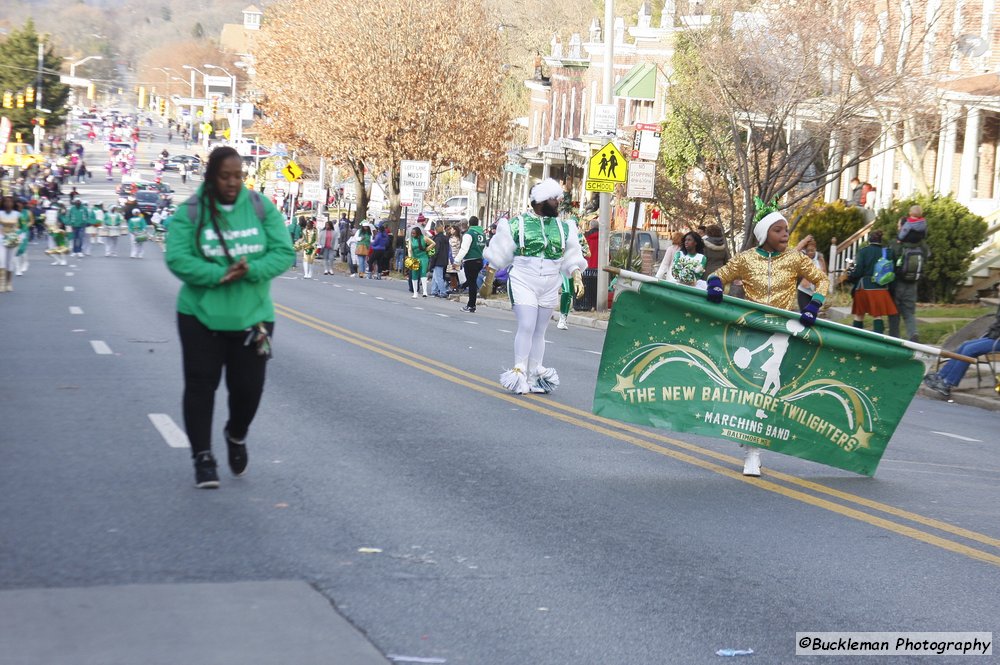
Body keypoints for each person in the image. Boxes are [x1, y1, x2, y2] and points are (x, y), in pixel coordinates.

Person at [165, 146, 295, 489]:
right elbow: (177, 258)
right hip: (199, 316)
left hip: (254, 319)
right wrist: (217, 274)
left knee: (248, 391)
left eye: (238, 175)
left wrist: (251, 269)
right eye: (225, 176)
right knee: (200, 386)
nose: (233, 182)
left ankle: (236, 435)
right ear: (211, 176)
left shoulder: (259, 207)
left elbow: (283, 253)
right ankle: (202, 458)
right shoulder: (191, 212)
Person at [706, 201, 829, 476]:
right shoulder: (746, 259)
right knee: (750, 390)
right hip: (751, 333)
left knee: (767, 392)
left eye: (786, 230)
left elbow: (822, 280)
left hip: (781, 336)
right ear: (764, 235)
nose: (785, 234)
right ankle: (750, 445)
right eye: (778, 230)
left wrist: (813, 305)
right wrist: (715, 286)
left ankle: (753, 447)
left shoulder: (795, 259)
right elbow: (719, 274)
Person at [482, 178, 586, 394]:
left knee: (540, 331)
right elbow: (499, 252)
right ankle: (518, 372)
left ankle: (534, 376)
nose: (558, 202)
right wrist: (487, 281)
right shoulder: (516, 224)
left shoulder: (564, 227)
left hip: (549, 283)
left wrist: (576, 274)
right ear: (540, 201)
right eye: (553, 198)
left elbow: (572, 254)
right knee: (527, 326)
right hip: (523, 280)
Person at [923, 291, 1000, 398]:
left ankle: (948, 383)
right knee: (965, 345)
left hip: (997, 340)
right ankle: (941, 376)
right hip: (994, 337)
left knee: (970, 350)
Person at [889, 206, 930, 342]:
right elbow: (927, 255)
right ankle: (913, 333)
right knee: (909, 312)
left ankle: (894, 339)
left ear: (903, 227)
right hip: (913, 282)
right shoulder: (921, 244)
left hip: (897, 282)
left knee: (894, 311)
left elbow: (889, 260)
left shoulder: (897, 244)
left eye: (898, 225)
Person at [846, 230, 897, 334]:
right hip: (881, 287)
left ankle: (857, 338)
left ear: (869, 240)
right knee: (878, 315)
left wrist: (850, 276)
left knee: (859, 314)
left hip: (864, 287)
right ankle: (878, 340)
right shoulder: (887, 252)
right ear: (880, 240)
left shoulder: (863, 251)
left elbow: (859, 271)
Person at [452, 217, 487, 312]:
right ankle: (472, 304)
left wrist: (456, 261)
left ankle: (471, 305)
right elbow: (484, 249)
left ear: (469, 224)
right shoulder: (482, 234)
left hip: (470, 261)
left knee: (471, 284)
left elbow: (464, 249)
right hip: (479, 260)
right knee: (473, 283)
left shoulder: (469, 234)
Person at [795, 236, 827, 312]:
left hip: (816, 293)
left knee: (812, 316)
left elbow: (824, 274)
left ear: (815, 249)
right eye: (808, 250)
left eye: (812, 250)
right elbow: (793, 253)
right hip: (804, 291)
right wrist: (804, 241)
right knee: (804, 314)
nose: (810, 253)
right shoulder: (803, 256)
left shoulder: (820, 258)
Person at [0, 195, 20, 292]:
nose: (8, 203)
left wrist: (17, 235)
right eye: (6, 201)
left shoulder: (17, 214)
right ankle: (1, 283)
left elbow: (21, 227)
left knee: (10, 262)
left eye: (10, 201)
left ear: (13, 203)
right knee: (1, 260)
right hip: (1, 239)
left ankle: (9, 282)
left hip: (12, 239)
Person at [408, 225, 432, 297]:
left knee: (423, 272)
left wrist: (427, 249)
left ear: (418, 233)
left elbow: (433, 243)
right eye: (412, 233)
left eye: (414, 233)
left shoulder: (424, 238)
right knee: (414, 274)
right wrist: (410, 257)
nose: (412, 235)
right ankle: (415, 292)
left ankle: (425, 291)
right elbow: (409, 249)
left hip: (423, 257)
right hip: (414, 258)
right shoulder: (411, 239)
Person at [430, 224, 451, 296]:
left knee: (438, 277)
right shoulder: (446, 238)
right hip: (444, 259)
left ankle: (442, 292)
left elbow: (436, 251)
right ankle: (434, 290)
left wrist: (432, 260)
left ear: (435, 230)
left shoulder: (437, 239)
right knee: (435, 276)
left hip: (438, 260)